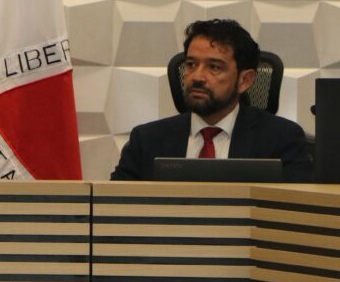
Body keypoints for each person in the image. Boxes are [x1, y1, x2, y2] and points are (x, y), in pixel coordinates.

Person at [111, 19, 311, 183]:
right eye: (191, 64)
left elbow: (297, 216)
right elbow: (112, 212)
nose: (197, 77)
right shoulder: (146, 141)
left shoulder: (281, 140)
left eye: (214, 67)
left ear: (245, 80)